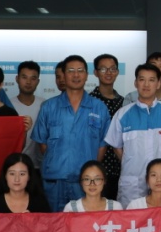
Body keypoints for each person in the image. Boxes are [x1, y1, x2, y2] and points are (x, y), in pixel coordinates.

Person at [30, 54, 112, 212]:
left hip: (86, 183)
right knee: (54, 223)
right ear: (63, 75)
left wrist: (90, 172)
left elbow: (102, 145)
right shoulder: (49, 107)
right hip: (55, 181)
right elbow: (42, 144)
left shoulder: (99, 107)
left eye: (80, 70)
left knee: (84, 225)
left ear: (86, 75)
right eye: (71, 70)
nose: (76, 75)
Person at [105, 62, 161, 206]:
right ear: (135, 83)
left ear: (158, 84)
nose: (146, 84)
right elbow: (116, 146)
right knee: (132, 218)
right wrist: (130, 162)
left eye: (151, 80)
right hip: (132, 183)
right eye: (142, 79)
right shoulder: (122, 114)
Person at [90, 53, 126, 200]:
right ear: (95, 72)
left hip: (120, 166)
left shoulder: (124, 103)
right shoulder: (89, 102)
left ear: (117, 72)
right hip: (95, 165)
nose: (108, 73)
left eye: (112, 69)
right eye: (103, 69)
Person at [9, 61, 44, 166]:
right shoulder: (8, 106)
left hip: (39, 166)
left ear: (38, 81)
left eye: (33, 78)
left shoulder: (45, 105)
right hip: (14, 164)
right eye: (24, 77)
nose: (28, 82)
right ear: (17, 79)